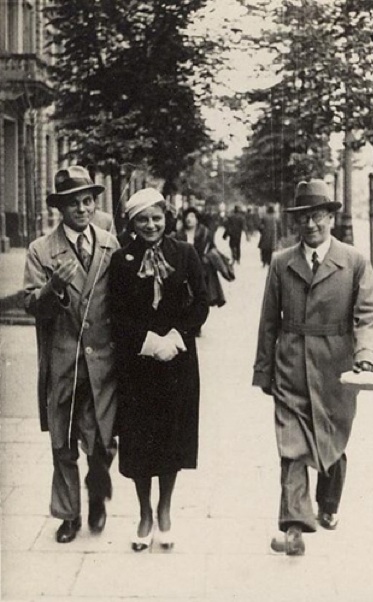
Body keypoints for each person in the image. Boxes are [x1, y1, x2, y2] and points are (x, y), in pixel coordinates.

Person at [252, 179, 373, 556]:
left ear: (331, 217)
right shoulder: (281, 262)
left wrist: (366, 358)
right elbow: (268, 321)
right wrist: (264, 370)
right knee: (292, 447)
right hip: (291, 364)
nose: (310, 224)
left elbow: (370, 314)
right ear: (296, 221)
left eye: (318, 216)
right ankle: (294, 527)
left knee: (332, 439)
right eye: (303, 218)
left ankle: (328, 503)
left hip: (336, 367)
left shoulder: (354, 261)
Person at [109, 188, 209, 552]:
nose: (151, 225)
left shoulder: (185, 253)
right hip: (137, 364)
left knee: (171, 438)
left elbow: (201, 302)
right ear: (131, 223)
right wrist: (148, 341)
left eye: (156, 217)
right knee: (138, 441)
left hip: (178, 362)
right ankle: (144, 514)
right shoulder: (121, 260)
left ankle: (165, 510)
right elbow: (116, 313)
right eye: (142, 219)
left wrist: (177, 337)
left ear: (167, 218)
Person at [23, 165, 119, 544]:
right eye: (73, 203)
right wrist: (53, 288)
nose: (82, 209)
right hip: (63, 361)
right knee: (62, 442)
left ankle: (97, 490)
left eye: (87, 201)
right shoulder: (41, 250)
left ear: (95, 204)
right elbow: (32, 305)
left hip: (103, 363)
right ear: (60, 208)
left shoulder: (110, 245)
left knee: (102, 440)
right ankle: (68, 514)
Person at [176, 207, 226, 309]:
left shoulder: (205, 233)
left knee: (201, 300)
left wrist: (207, 258)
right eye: (187, 217)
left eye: (192, 216)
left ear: (197, 219)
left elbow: (212, 247)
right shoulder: (179, 235)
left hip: (202, 271)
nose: (189, 219)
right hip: (184, 271)